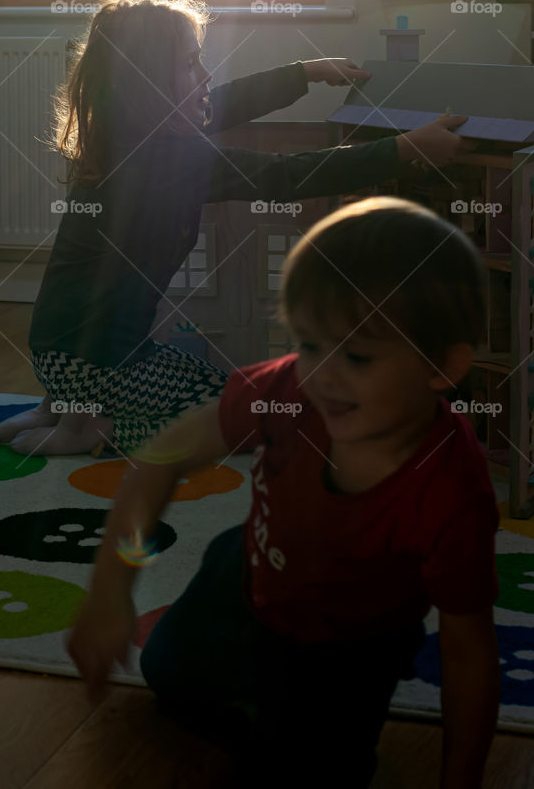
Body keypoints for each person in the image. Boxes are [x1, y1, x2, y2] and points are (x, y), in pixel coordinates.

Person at [67, 197, 501, 787]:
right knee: (167, 677)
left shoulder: (454, 491)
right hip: (248, 575)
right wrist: (111, 591)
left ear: (443, 367)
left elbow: (469, 653)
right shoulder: (288, 391)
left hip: (353, 643)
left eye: (357, 355)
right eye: (311, 343)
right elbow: (161, 457)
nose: (322, 375)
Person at [0, 0, 472, 459]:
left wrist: (303, 74)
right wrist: (404, 150)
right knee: (246, 415)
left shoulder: (122, 137)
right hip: (106, 364)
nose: (204, 75)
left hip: (55, 352)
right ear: (148, 82)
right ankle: (92, 427)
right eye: (190, 63)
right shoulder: (171, 159)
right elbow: (284, 176)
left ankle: (64, 409)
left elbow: (219, 101)